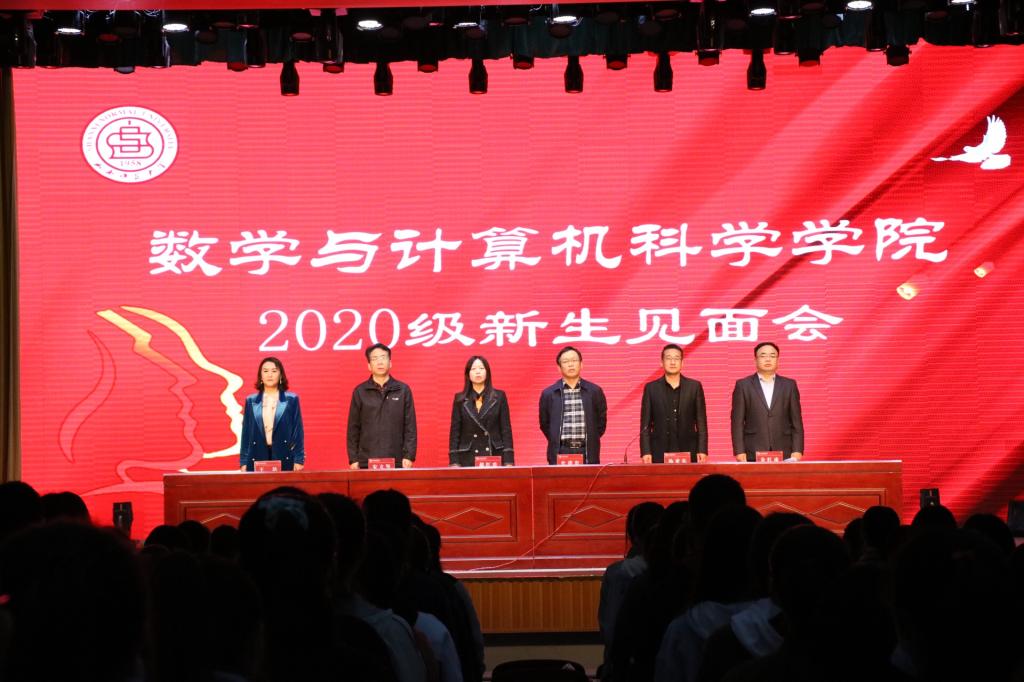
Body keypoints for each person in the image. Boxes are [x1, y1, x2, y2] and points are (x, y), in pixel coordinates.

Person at [730, 342, 803, 462]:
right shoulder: (743, 385)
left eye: (772, 356)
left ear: (778, 360)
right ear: (755, 360)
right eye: (763, 356)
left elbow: (796, 421)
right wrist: (739, 450)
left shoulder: (789, 385)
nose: (768, 359)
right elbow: (737, 422)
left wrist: (798, 449)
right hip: (752, 450)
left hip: (785, 449)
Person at [348, 343, 417, 469]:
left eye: (383, 357)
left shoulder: (403, 390)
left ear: (390, 363)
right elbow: (353, 428)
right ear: (369, 365)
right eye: (375, 358)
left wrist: (409, 456)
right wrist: (353, 459)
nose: (380, 362)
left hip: (397, 460)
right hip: (366, 460)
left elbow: (410, 426)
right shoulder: (360, 391)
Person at [640, 344, 709, 464]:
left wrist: (702, 450)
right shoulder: (651, 388)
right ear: (661, 362)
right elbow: (645, 425)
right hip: (658, 451)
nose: (672, 362)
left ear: (682, 363)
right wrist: (646, 451)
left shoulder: (694, 387)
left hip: (689, 449)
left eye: (676, 358)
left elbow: (701, 422)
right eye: (668, 358)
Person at [539, 346, 608, 465]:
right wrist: (556, 440)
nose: (570, 364)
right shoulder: (549, 394)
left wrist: (591, 439)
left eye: (574, 360)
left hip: (587, 450)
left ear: (581, 364)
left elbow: (601, 423)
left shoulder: (594, 391)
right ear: (559, 368)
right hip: (560, 450)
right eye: (565, 362)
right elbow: (545, 424)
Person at [240, 356, 305, 471]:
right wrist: (243, 461)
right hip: (256, 455)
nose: (269, 375)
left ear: (280, 375)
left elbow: (297, 431)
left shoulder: (291, 399)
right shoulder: (251, 401)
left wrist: (299, 459)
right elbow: (246, 433)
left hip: (284, 454)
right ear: (260, 376)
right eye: (265, 371)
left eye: (274, 371)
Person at [448, 356, 515, 467]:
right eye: (473, 369)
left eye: (481, 368)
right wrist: (454, 461)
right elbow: (455, 432)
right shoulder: (460, 399)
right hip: (468, 456)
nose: (478, 372)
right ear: (468, 374)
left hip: (494, 454)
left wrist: (508, 461)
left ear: (487, 372)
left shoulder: (499, 397)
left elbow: (506, 430)